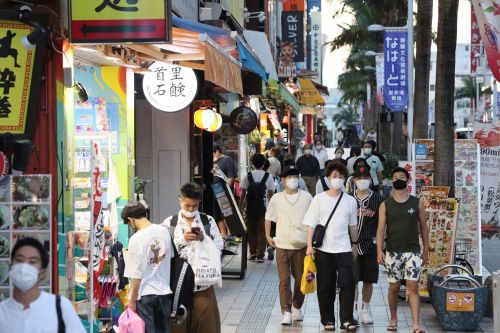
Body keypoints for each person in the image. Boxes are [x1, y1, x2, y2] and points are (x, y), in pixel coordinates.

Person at [304, 162, 359, 332]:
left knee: (348, 284)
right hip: (323, 251)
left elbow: (352, 226)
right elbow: (311, 225)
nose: (337, 179)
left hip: (343, 249)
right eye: (334, 176)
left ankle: (346, 320)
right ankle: (327, 320)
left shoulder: (350, 201)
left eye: (341, 177)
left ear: (345, 179)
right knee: (325, 286)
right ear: (327, 178)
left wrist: (355, 245)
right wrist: (309, 246)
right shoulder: (318, 199)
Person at [163, 183, 224, 333]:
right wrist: (182, 239)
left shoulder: (207, 221)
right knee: (177, 327)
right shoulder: (170, 224)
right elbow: (163, 253)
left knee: (207, 326)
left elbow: (219, 248)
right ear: (180, 201)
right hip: (177, 285)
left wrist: (204, 239)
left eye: (194, 206)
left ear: (199, 203)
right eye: (187, 205)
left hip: (203, 284)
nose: (190, 209)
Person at [376, 167, 430, 333]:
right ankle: (393, 319)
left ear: (407, 181)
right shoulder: (386, 204)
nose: (398, 179)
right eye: (395, 177)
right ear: (392, 181)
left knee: (413, 287)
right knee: (393, 288)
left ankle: (415, 325)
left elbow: (423, 228)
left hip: (413, 252)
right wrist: (379, 250)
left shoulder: (417, 202)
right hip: (392, 252)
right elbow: (380, 229)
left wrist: (425, 250)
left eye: (402, 176)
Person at [0, 237, 85, 332]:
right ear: (11, 266)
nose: (24, 267)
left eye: (32, 262)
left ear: (42, 272)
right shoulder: (2, 312)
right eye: (19, 260)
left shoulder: (60, 308)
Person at [265, 166, 312, 325]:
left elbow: (313, 220)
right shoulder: (276, 198)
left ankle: (297, 306)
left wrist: (311, 244)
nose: (292, 180)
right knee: (284, 279)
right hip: (282, 244)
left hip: (301, 244)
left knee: (300, 278)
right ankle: (286, 311)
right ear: (283, 180)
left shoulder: (306, 197)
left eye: (295, 176)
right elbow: (269, 217)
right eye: (289, 177)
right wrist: (267, 235)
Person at [122, 202, 174, 333]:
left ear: (130, 220)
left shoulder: (136, 238)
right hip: (164, 293)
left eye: (128, 224)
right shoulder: (164, 231)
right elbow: (170, 257)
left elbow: (136, 275)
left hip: (145, 295)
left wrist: (132, 301)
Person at [351, 165, 384, 324]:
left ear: (370, 180)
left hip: (370, 245)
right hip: (351, 246)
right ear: (354, 180)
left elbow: (383, 224)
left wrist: (381, 247)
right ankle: (355, 309)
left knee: (369, 279)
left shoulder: (378, 199)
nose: (362, 181)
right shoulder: (348, 198)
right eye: (359, 178)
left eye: (365, 178)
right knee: (353, 279)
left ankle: (366, 309)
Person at [239, 153, 275, 262]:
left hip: (250, 207)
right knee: (262, 231)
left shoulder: (248, 175)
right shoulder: (268, 176)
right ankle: (260, 255)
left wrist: (240, 206)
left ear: (252, 163)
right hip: (264, 207)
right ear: (264, 163)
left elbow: (243, 193)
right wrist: (272, 208)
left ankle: (252, 253)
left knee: (251, 230)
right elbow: (270, 194)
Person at [213, 144, 238, 238]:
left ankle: (233, 234)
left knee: (227, 214)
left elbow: (231, 177)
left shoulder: (227, 160)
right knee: (218, 215)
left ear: (217, 152)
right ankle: (223, 235)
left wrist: (227, 190)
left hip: (224, 192)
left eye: (212, 154)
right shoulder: (213, 162)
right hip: (215, 191)